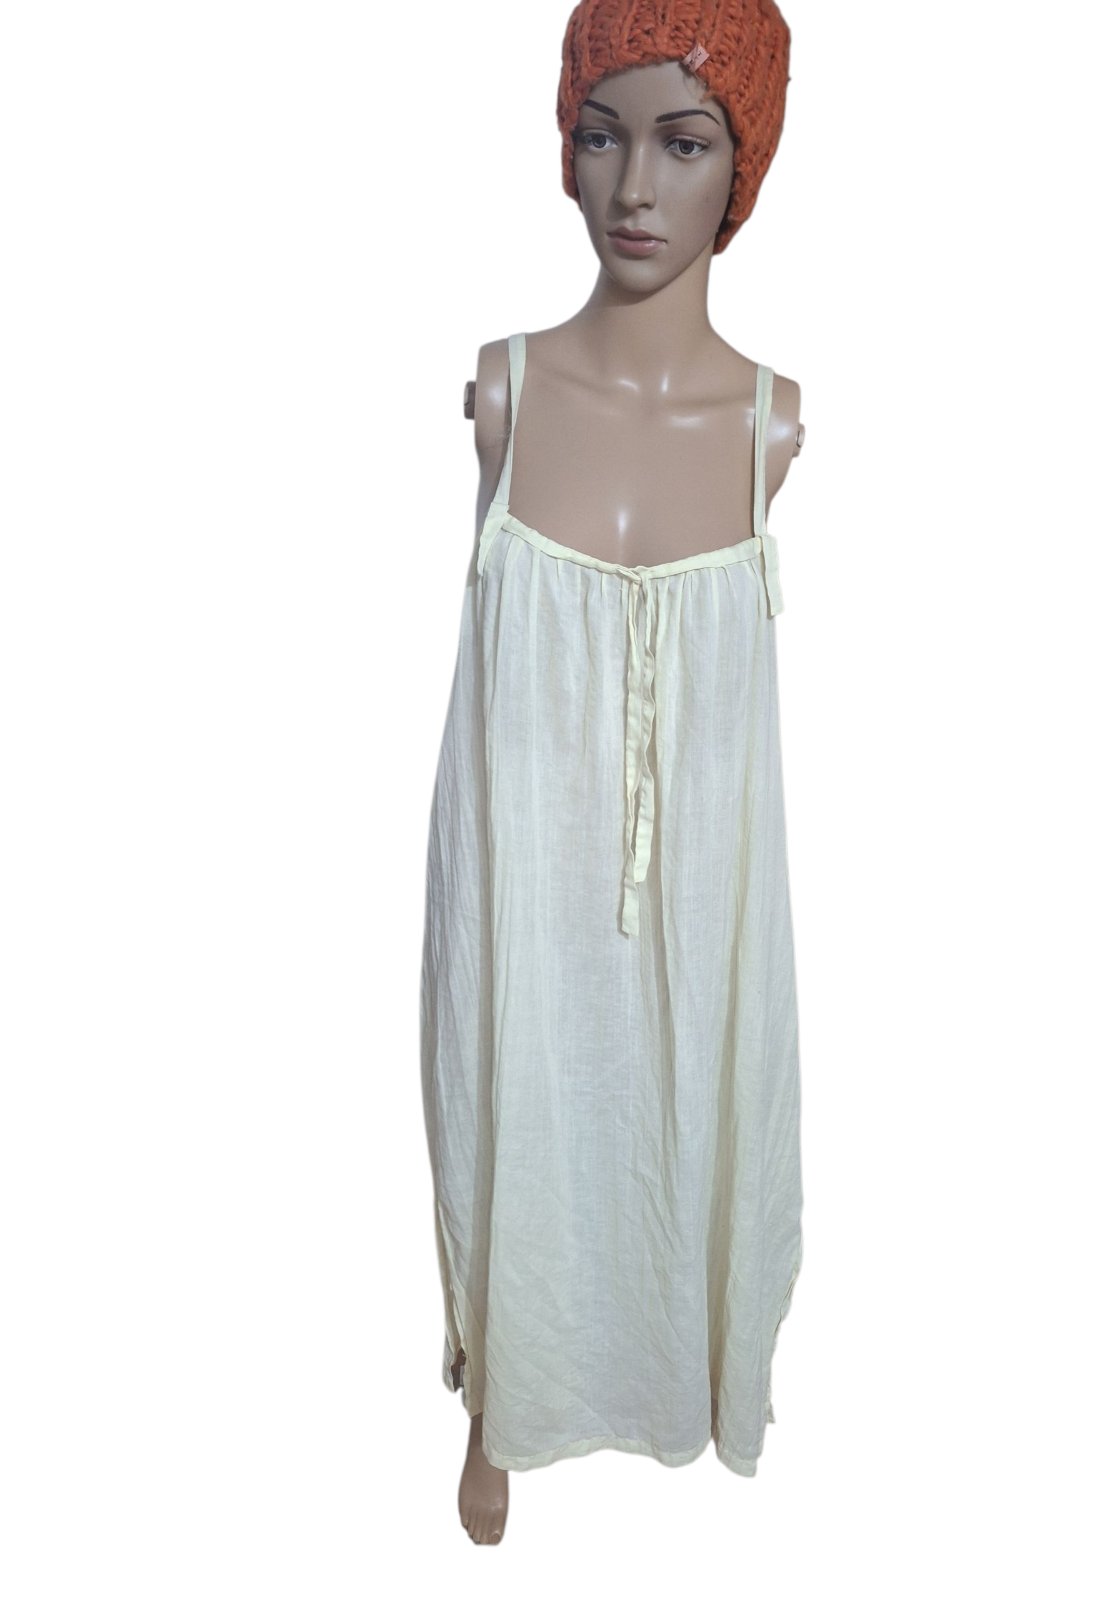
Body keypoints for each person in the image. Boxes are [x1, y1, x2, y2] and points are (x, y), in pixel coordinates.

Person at [421, 0, 804, 1545]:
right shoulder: (504, 397)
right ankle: (502, 1397)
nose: (635, 187)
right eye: (603, 136)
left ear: (742, 167)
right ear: (567, 151)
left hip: (705, 919)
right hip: (523, 892)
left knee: (699, 1101)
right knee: (507, 1078)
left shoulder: (769, 427)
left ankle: (697, 1363)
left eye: (684, 142)